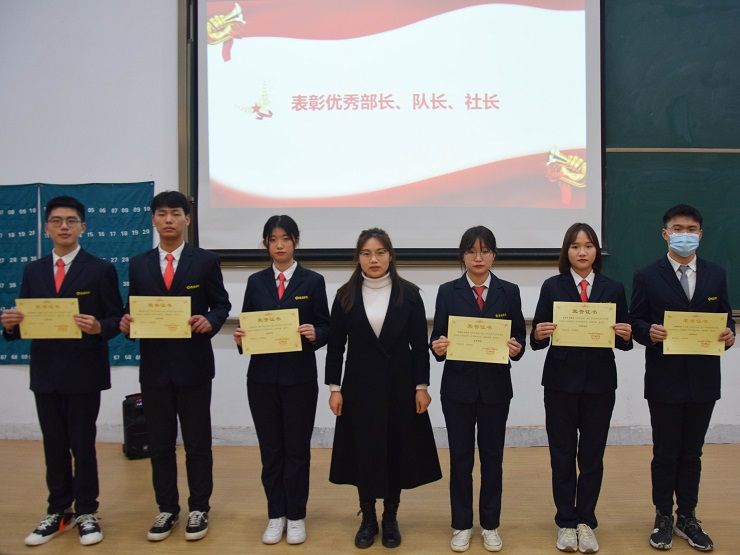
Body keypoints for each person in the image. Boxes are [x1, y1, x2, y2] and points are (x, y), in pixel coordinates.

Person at [1, 196, 123, 546]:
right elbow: (25, 323)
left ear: (83, 227)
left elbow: (115, 318)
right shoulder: (34, 271)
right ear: (46, 228)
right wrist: (10, 325)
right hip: (46, 372)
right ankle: (58, 510)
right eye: (56, 221)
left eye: (71, 221)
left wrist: (99, 326)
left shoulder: (100, 269)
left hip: (84, 372)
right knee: (53, 445)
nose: (64, 226)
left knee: (82, 445)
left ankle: (86, 511)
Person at [119, 191, 231, 543]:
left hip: (193, 366)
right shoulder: (138, 263)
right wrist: (127, 322)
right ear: (153, 219)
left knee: (197, 443)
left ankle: (199, 508)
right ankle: (167, 508)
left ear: (187, 219)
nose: (169, 219)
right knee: (160, 444)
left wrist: (210, 321)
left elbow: (221, 304)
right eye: (162, 214)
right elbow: (133, 308)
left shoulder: (205, 261)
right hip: (154, 369)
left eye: (175, 213)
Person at [326, 228, 442, 549]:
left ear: (390, 255)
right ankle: (367, 518)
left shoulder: (409, 294)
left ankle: (390, 517)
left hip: (400, 386)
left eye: (379, 252)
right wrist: (335, 388)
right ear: (358, 258)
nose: (373, 259)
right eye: (366, 253)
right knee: (363, 450)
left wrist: (422, 386)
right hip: (358, 388)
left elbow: (419, 347)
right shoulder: (345, 295)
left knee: (395, 449)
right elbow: (336, 347)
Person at [630, 204, 734, 552]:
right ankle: (662, 516)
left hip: (703, 380)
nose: (684, 235)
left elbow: (725, 319)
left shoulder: (716, 274)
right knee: (665, 453)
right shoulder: (647, 275)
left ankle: (687, 516)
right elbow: (635, 320)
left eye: (691, 229)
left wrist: (729, 334)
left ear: (700, 234)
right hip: (665, 379)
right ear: (665, 234)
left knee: (692, 453)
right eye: (678, 229)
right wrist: (648, 331)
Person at [530, 223, 632, 553]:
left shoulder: (613, 288)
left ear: (596, 251)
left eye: (588, 246)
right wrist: (539, 334)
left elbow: (624, 341)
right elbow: (536, 340)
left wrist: (626, 334)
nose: (582, 252)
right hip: (559, 384)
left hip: (600, 385)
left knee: (591, 457)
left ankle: (586, 521)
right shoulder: (552, 286)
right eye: (575, 246)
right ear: (567, 251)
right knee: (561, 456)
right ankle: (565, 522)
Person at [232, 215, 330, 545]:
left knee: (297, 450)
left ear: (296, 242)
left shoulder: (313, 281)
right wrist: (241, 337)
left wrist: (316, 333)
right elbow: (247, 326)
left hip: (299, 379)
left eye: (285, 238)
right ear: (265, 244)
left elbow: (327, 326)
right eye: (272, 239)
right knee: (271, 451)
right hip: (261, 380)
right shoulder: (256, 282)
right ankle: (276, 514)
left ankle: (297, 515)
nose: (279, 245)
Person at [430, 225, 525, 553]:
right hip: (457, 389)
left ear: (494, 255)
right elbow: (437, 336)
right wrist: (437, 346)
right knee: (460, 459)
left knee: (492, 459)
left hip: (495, 389)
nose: (478, 257)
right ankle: (461, 524)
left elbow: (519, 336)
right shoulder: (448, 291)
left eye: (484, 251)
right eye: (471, 251)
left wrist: (517, 347)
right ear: (463, 256)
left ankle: (490, 524)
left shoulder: (509, 291)